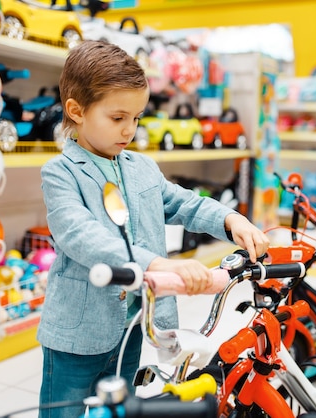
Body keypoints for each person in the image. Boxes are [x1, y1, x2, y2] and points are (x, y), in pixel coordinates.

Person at [37, 40, 270, 418]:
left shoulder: (141, 167)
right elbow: (81, 235)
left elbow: (183, 203)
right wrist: (159, 264)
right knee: (63, 412)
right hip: (77, 335)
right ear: (76, 111)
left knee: (121, 409)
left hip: (132, 325)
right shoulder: (60, 174)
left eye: (137, 117)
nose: (129, 129)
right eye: (117, 118)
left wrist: (231, 220)